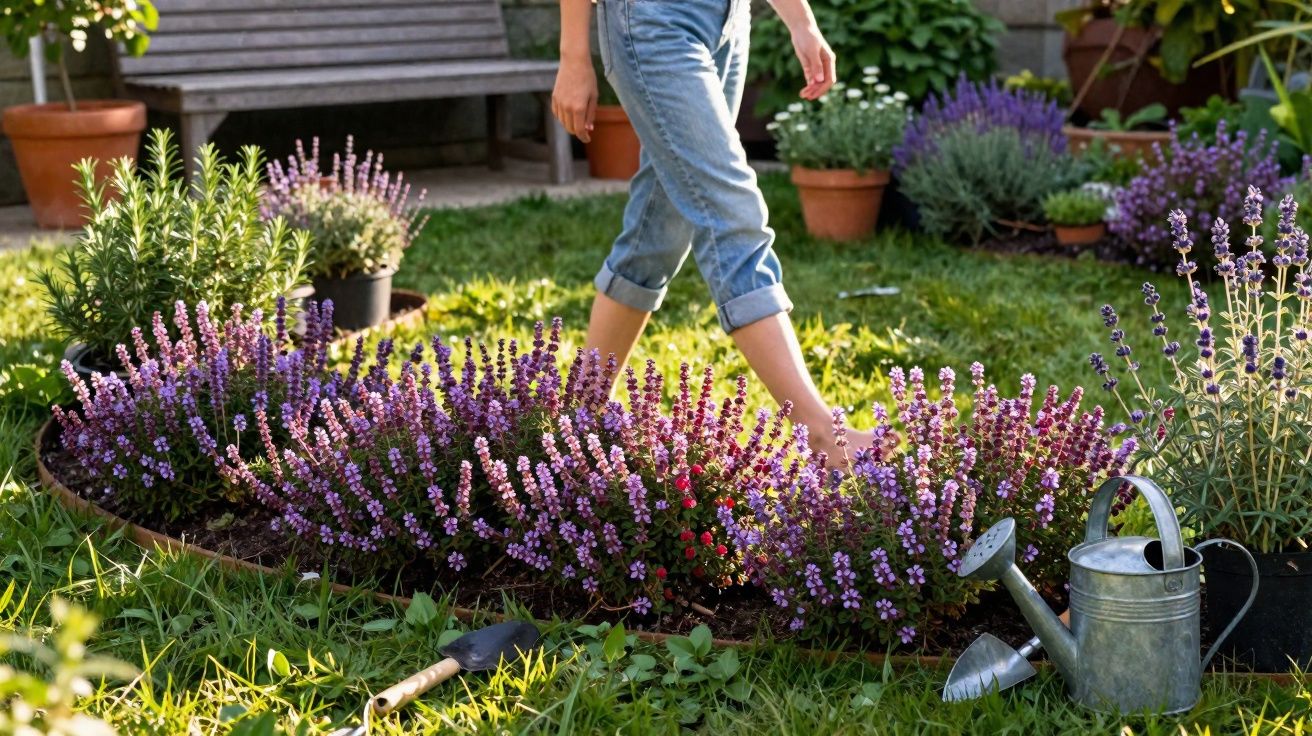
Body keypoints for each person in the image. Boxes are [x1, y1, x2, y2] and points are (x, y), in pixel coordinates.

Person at [551, 0, 872, 461]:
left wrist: (800, 21)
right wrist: (573, 57)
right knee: (730, 211)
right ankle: (820, 433)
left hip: (728, 21)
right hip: (652, 22)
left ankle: (580, 419)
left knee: (659, 228)